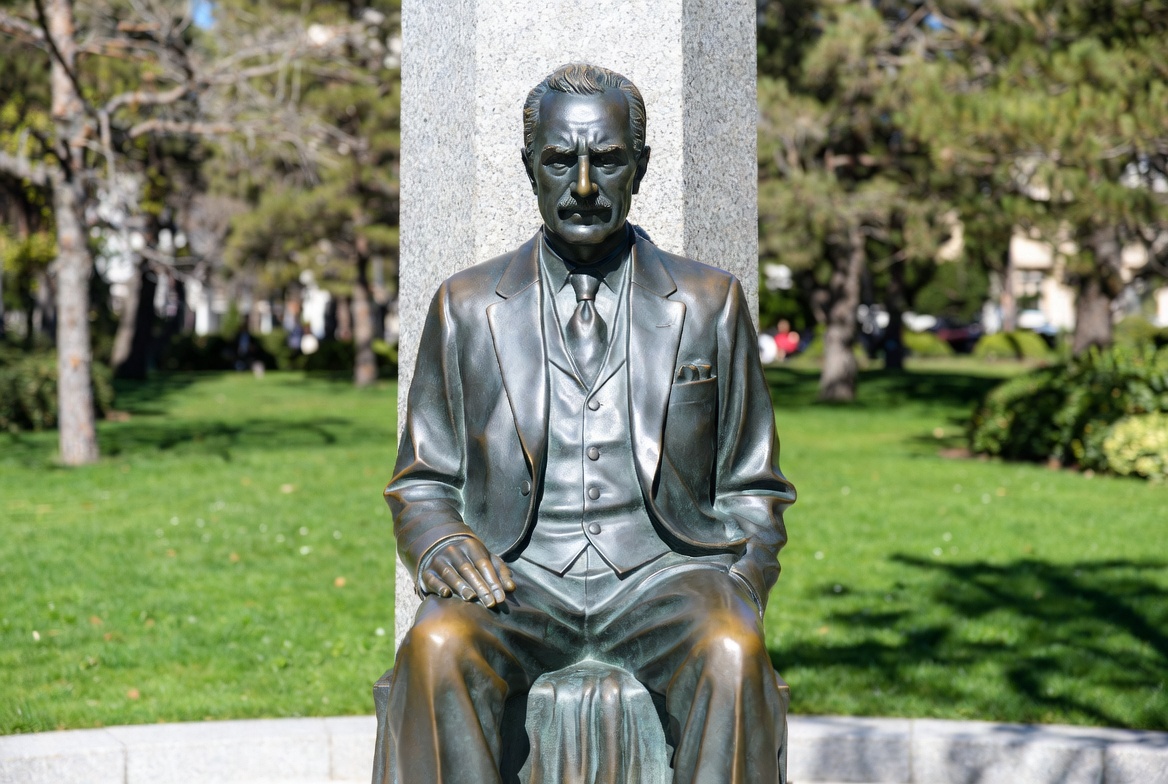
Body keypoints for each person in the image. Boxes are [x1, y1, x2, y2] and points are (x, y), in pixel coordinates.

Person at [383, 63, 796, 784]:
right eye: (558, 160)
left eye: (605, 159)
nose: (582, 185)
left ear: (640, 166)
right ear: (528, 167)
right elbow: (422, 481)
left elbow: (753, 485)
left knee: (733, 648)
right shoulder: (466, 305)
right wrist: (442, 540)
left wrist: (742, 584)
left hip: (664, 577)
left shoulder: (708, 302)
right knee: (438, 644)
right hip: (518, 579)